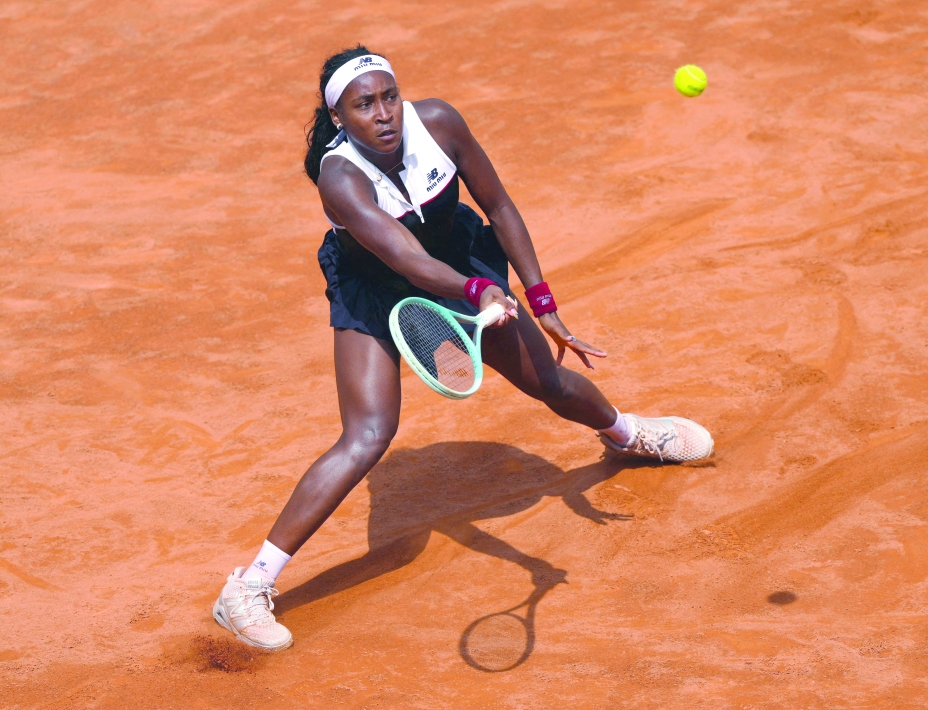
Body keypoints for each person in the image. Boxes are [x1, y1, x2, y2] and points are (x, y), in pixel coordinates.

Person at [212, 46, 714, 651]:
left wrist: (542, 302)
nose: (384, 113)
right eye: (364, 105)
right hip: (376, 285)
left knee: (549, 381)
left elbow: (498, 206)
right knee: (368, 434)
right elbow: (404, 258)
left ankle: (628, 434)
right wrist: (478, 291)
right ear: (339, 117)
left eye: (390, 96)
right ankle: (248, 587)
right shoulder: (338, 178)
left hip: (458, 262)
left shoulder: (440, 123)